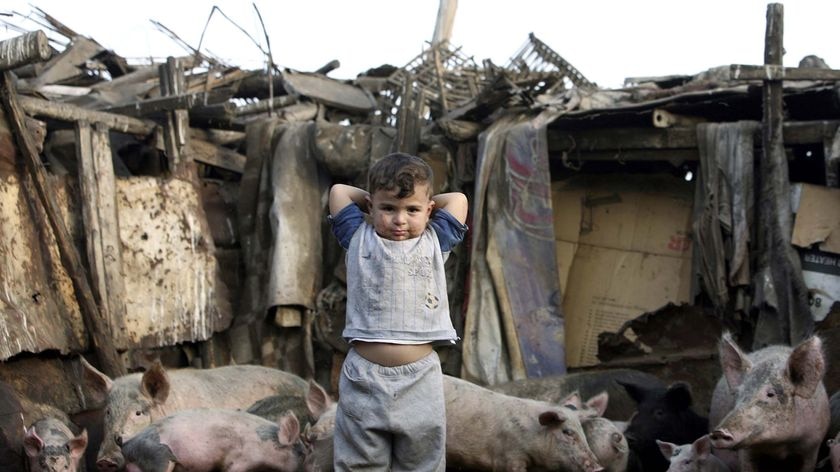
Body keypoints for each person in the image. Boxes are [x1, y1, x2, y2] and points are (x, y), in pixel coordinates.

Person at [328, 152, 469, 471]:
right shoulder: (357, 238)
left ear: (430, 210)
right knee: (358, 463)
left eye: (413, 210)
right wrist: (372, 196)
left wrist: (416, 197)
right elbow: (338, 192)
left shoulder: (435, 242)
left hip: (420, 380)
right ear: (371, 207)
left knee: (422, 462)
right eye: (388, 208)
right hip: (364, 377)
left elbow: (458, 199)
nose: (400, 219)